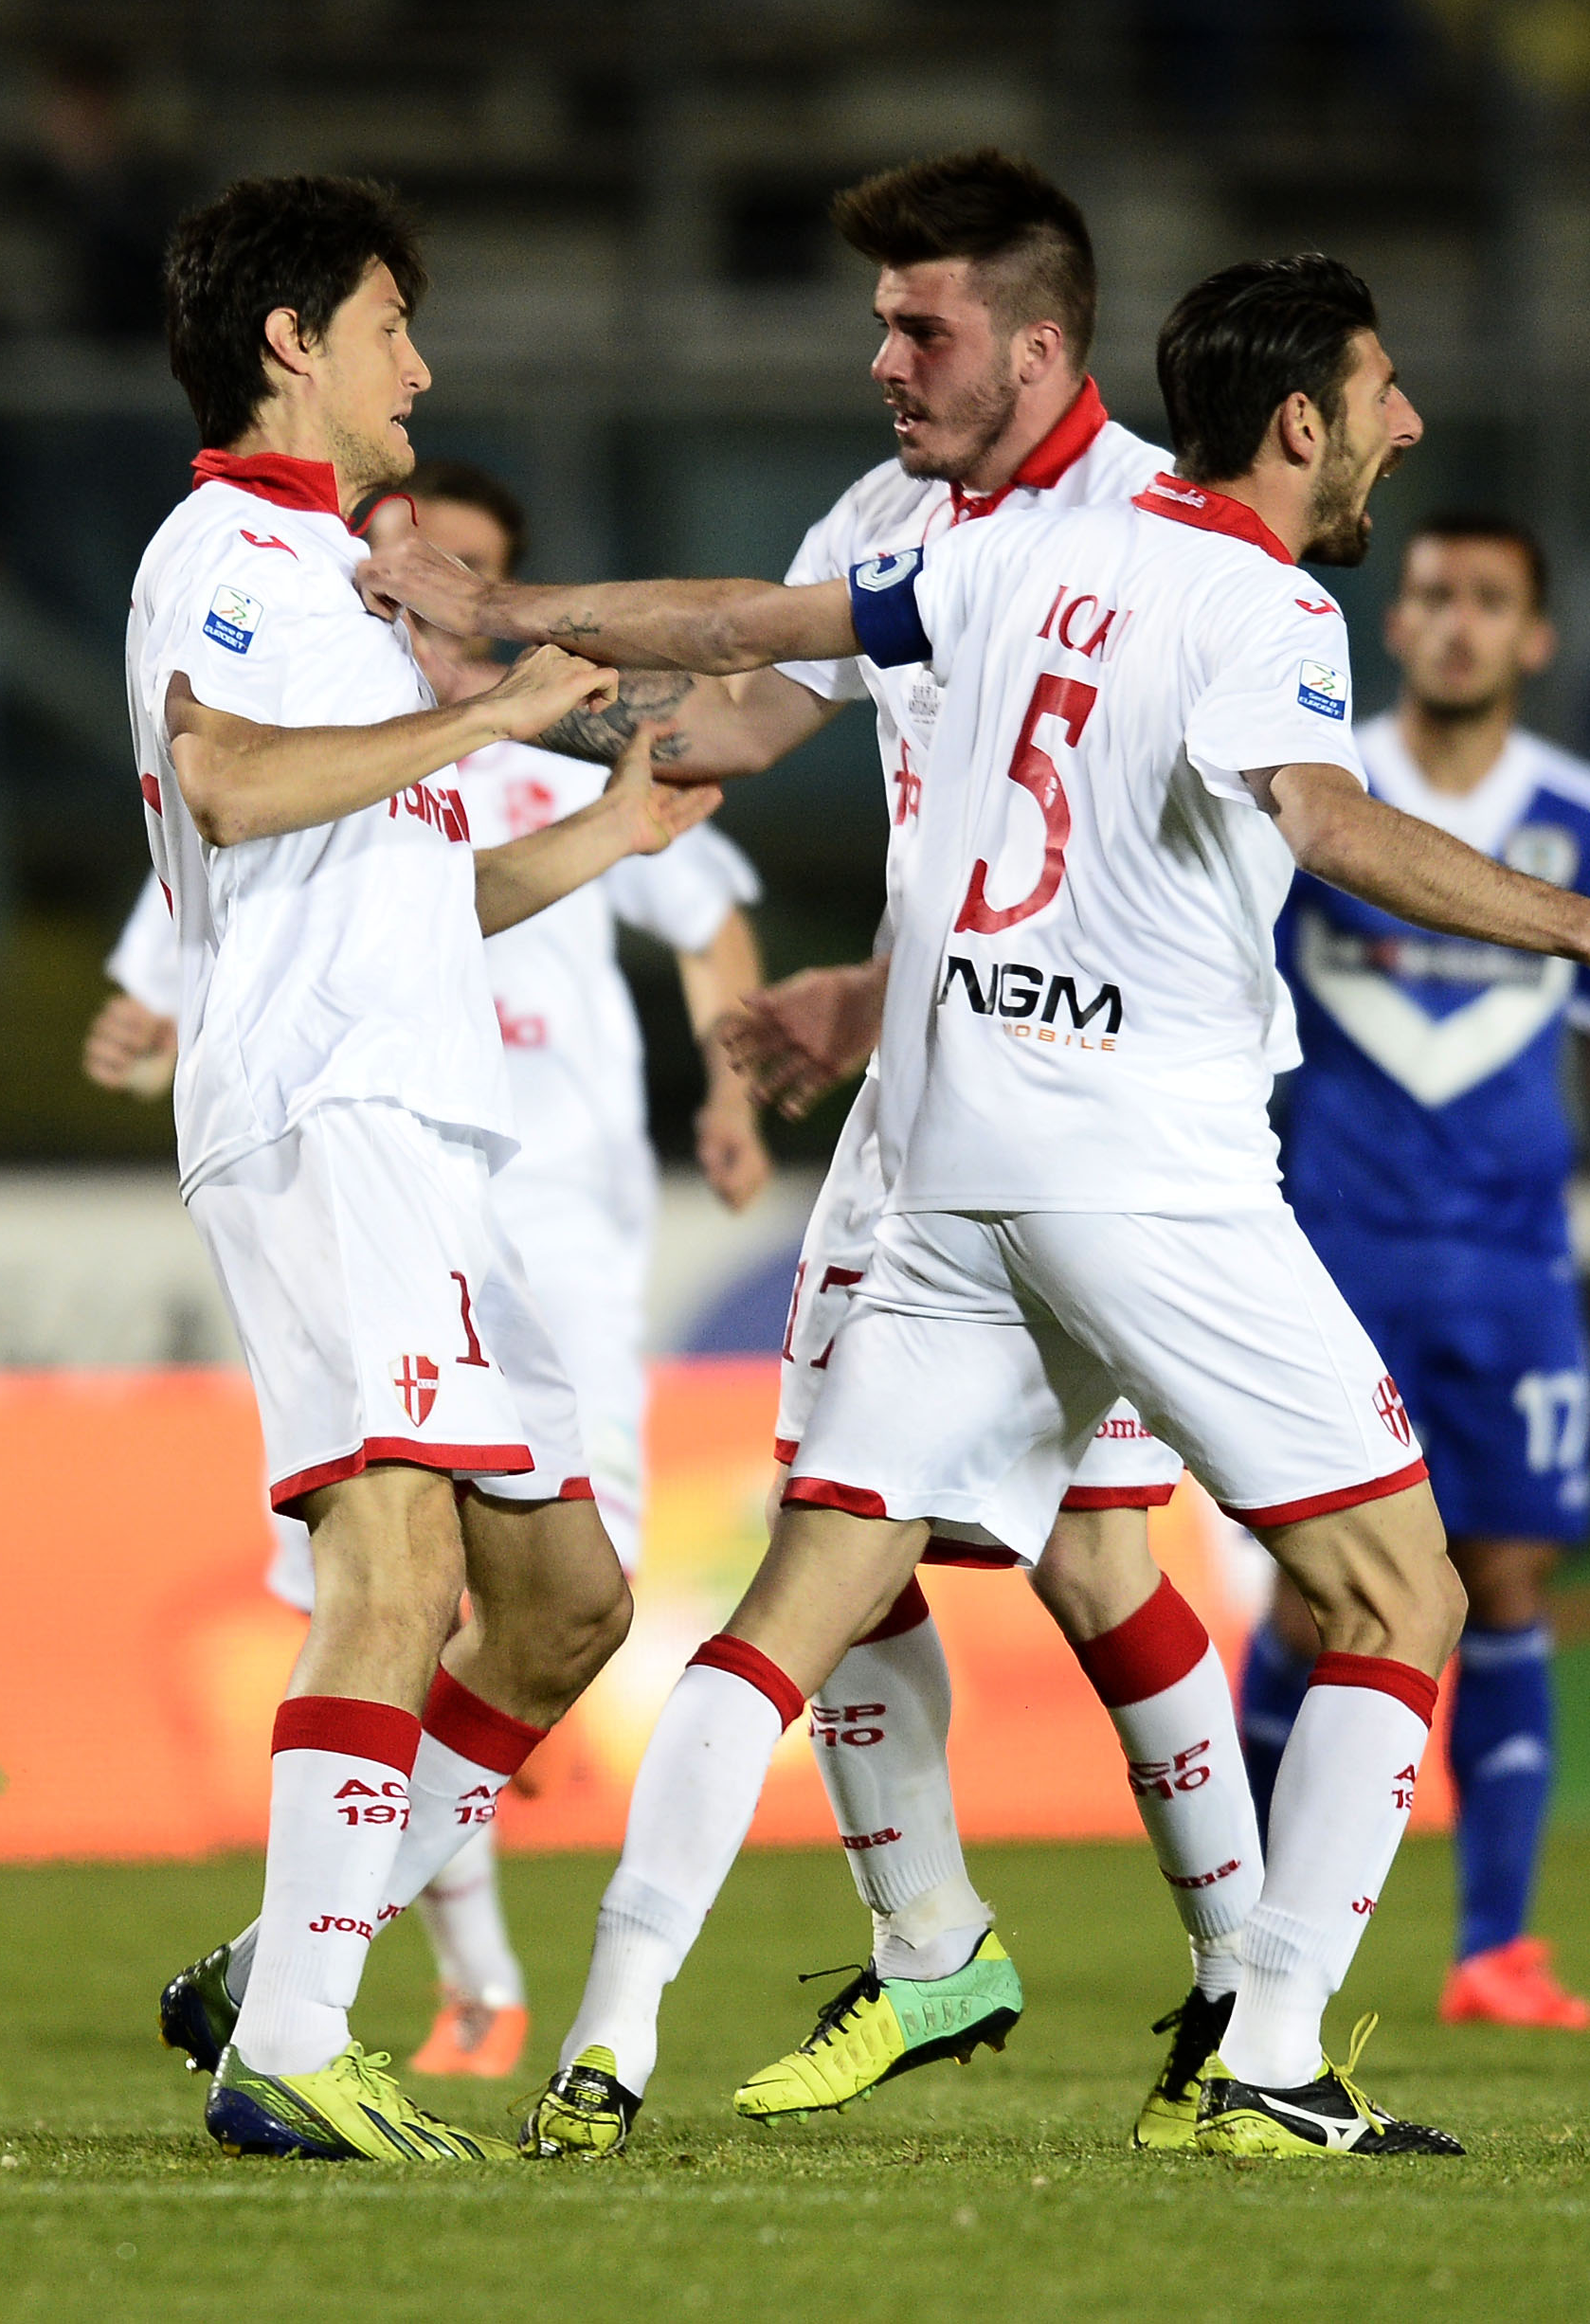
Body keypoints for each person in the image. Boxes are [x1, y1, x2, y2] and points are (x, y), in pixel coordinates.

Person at [361, 249, 1565, 2163]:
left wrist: (498, 607)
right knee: (1396, 1592)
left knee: (799, 1604)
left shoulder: (1001, 551)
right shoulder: (1265, 598)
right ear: (1300, 422)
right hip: (1146, 1177)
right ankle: (1261, 2052)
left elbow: (740, 624)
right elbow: (1329, 831)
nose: (1405, 422)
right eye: (1383, 390)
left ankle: (608, 2033)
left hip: (944, 1174)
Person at [135, 171, 718, 2164]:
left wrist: (602, 838)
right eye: (393, 323)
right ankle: (296, 2040)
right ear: (294, 343)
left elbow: (389, 891)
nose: (424, 365)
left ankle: (286, 1955)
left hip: (421, 1122)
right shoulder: (229, 546)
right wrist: (507, 702)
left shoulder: (331, 576)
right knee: (391, 1573)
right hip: (327, 1115)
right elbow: (219, 777)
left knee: (558, 1608)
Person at [1238, 512, 1590, 2030]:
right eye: (1433, 593)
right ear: (1397, 623)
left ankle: (1494, 1949)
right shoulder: (1323, 793)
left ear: (1535, 638)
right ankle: (1247, 1927)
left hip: (1516, 1258)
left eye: (1488, 601)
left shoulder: (1573, 817)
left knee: (1506, 1574)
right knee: (1322, 1597)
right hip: (1335, 1251)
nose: (1454, 621)